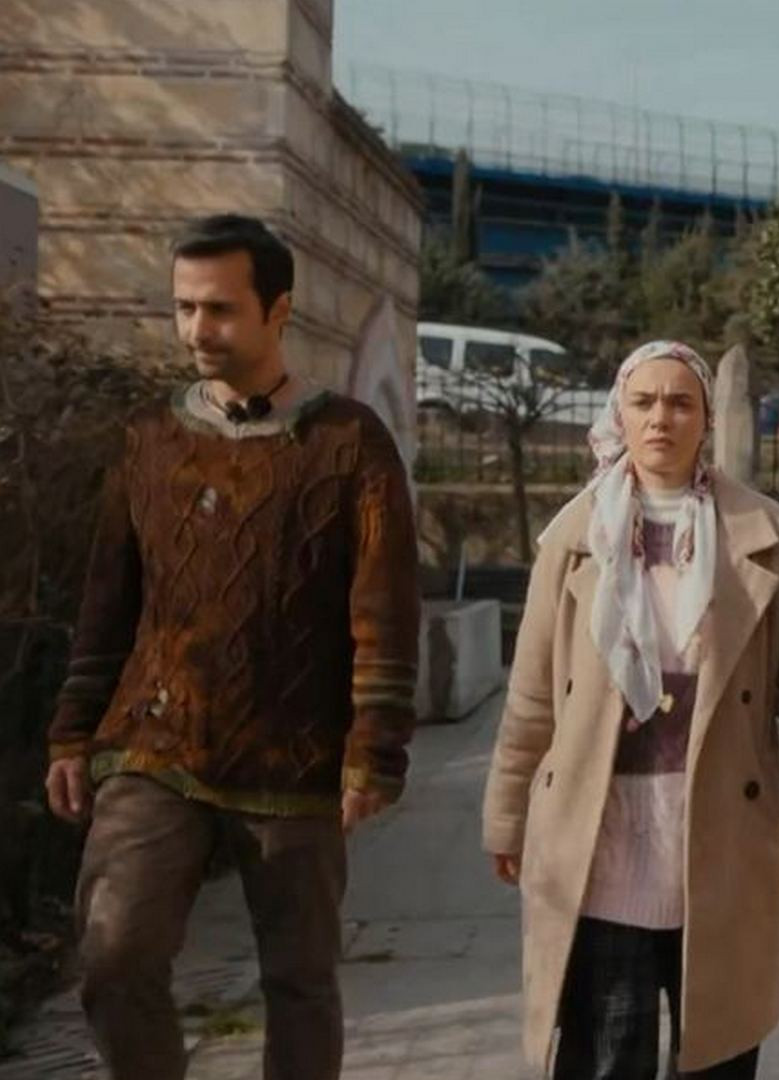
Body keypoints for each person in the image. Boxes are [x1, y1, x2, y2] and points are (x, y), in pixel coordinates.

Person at [44, 213, 421, 1080]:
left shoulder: (348, 443)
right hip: (155, 743)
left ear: (276, 310)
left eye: (218, 309)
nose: (196, 329)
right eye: (184, 308)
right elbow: (108, 601)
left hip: (296, 756)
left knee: (299, 981)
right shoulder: (149, 439)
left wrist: (374, 749)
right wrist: (72, 731)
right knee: (114, 954)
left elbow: (384, 608)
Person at [482, 340, 779, 1078]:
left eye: (680, 403)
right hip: (602, 834)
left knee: (719, 1050)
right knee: (607, 1050)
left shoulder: (767, 534)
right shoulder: (575, 537)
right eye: (643, 402)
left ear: (705, 418)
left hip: (717, 830)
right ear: (619, 413)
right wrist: (507, 813)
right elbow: (533, 692)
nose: (660, 419)